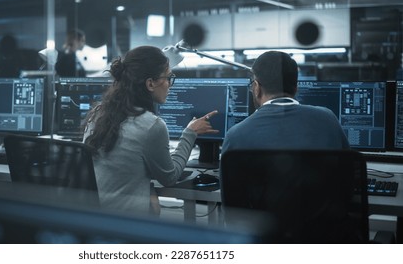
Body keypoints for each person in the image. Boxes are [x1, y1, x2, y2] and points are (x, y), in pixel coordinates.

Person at [83, 45, 218, 215]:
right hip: (129, 225)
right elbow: (169, 178)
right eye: (168, 78)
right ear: (150, 83)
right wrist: (190, 133)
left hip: (97, 221)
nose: (170, 84)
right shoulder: (151, 125)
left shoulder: (98, 113)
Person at [221, 50, 349, 153]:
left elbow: (230, 185)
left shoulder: (235, 136)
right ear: (296, 87)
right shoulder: (328, 119)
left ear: (256, 88)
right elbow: (350, 173)